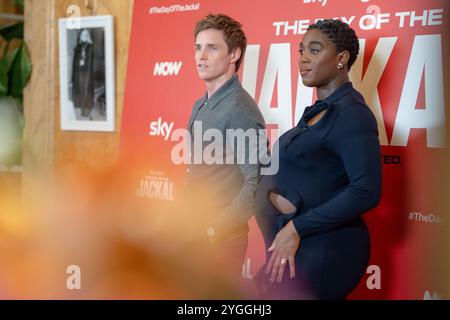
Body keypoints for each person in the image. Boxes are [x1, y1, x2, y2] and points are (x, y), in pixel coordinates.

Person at [254, 19, 382, 299]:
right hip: (294, 246)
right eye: (301, 51)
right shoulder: (320, 110)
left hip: (322, 251)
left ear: (341, 58)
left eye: (314, 50)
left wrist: (297, 227)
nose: (302, 59)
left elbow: (367, 191)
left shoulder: (353, 114)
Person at [185, 13, 266, 279]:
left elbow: (257, 182)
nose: (201, 56)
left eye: (212, 48)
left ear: (234, 54)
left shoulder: (240, 108)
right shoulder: (200, 104)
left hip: (220, 242)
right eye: (198, 47)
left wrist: (214, 228)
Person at [72, 28, 94, 118]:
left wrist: (83, 63)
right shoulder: (78, 47)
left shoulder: (90, 47)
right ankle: (79, 106)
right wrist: (79, 63)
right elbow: (75, 61)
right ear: (80, 36)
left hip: (87, 73)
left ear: (88, 36)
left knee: (86, 90)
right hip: (79, 72)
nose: (84, 36)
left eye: (86, 34)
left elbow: (91, 62)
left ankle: (86, 110)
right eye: (82, 35)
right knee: (79, 89)